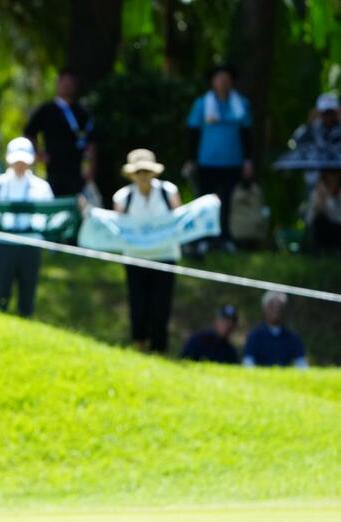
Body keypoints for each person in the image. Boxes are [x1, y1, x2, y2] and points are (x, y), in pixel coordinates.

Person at [112, 149, 182, 353]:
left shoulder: (168, 192)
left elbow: (180, 221)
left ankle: (160, 350)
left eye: (146, 171)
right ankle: (139, 347)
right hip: (135, 258)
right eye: (138, 172)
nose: (143, 176)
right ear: (131, 174)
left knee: (161, 308)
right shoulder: (123, 197)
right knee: (138, 307)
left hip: (165, 256)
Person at [0, 137, 54, 317]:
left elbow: (50, 219)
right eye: (17, 161)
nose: (20, 165)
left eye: (24, 161)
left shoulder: (41, 187)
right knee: (0, 294)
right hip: (3, 245)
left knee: (27, 295)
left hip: (31, 245)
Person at [186, 64, 253, 253]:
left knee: (229, 203)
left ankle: (225, 238)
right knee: (205, 202)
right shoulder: (201, 104)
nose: (223, 82)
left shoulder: (241, 104)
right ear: (213, 82)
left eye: (226, 78)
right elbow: (192, 133)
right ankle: (203, 239)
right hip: (206, 162)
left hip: (233, 162)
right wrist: (191, 159)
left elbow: (247, 134)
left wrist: (248, 160)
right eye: (219, 78)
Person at [23, 69, 97, 197]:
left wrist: (90, 168)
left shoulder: (82, 112)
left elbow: (91, 142)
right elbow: (29, 134)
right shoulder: (46, 110)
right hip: (53, 169)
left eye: (71, 83)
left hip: (76, 169)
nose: (67, 86)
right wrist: (38, 154)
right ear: (58, 83)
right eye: (64, 82)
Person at [290, 93, 340, 193]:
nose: (328, 116)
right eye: (324, 113)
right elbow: (294, 141)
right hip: (316, 175)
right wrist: (308, 124)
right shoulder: (313, 127)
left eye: (330, 112)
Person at [243, 292, 307, 368]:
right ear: (264, 309)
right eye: (272, 306)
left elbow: (301, 365)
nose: (276, 310)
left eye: (280, 307)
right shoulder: (255, 335)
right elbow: (248, 363)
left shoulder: (292, 337)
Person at [304, 169, 341, 253]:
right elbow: (315, 212)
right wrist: (322, 197)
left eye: (336, 173)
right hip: (324, 226)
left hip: (338, 225)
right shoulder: (319, 190)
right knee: (319, 220)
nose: (333, 177)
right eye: (331, 174)